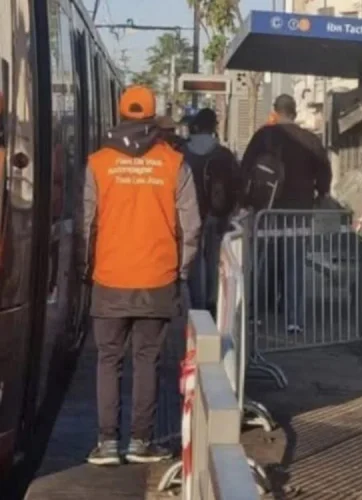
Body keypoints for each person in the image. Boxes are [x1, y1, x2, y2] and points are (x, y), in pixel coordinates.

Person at [81, 85, 201, 465]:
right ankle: (141, 442)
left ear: (120, 114)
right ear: (152, 117)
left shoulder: (98, 162)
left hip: (110, 276)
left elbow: (87, 224)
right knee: (147, 359)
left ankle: (106, 444)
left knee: (108, 359)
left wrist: (87, 270)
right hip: (157, 278)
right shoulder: (173, 162)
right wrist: (181, 271)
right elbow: (192, 225)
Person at [241, 94, 331, 334]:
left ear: (275, 110)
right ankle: (294, 319)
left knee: (261, 264)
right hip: (299, 212)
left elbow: (246, 167)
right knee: (295, 266)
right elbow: (324, 171)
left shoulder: (263, 136)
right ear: (295, 112)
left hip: (267, 212)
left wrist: (246, 201)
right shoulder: (310, 140)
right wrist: (320, 195)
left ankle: (254, 315)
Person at [181, 108, 240, 312]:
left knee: (194, 260)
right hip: (216, 215)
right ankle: (212, 300)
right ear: (214, 127)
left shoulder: (182, 153)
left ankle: (197, 305)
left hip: (189, 215)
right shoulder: (224, 154)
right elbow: (235, 184)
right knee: (213, 258)